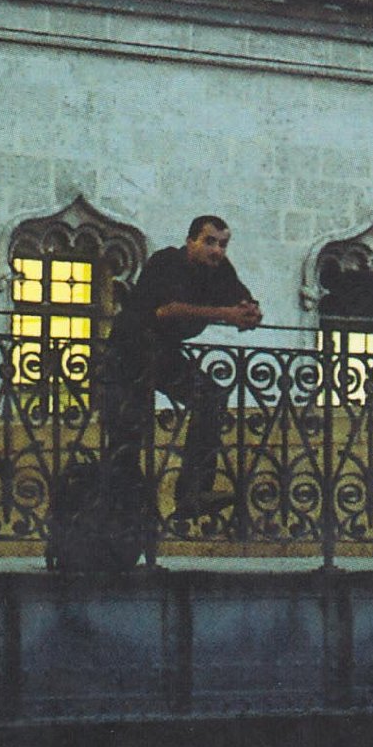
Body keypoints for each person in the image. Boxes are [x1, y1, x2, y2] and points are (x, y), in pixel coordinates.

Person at [100, 214, 262, 521]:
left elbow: (240, 299)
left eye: (223, 244)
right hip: (128, 353)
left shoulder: (220, 270)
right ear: (191, 241)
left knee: (210, 396)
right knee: (127, 441)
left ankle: (193, 493)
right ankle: (120, 520)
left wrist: (249, 311)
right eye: (210, 242)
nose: (217, 251)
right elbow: (167, 310)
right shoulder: (167, 262)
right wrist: (225, 314)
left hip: (162, 353)